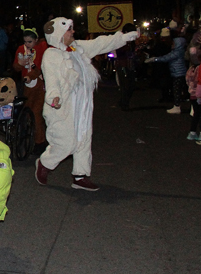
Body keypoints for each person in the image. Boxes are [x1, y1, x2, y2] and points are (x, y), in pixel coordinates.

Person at [35, 18, 139, 191]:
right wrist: (54, 97)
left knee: (84, 138)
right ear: (59, 34)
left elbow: (100, 44)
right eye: (69, 30)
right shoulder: (51, 55)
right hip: (63, 106)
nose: (73, 32)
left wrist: (124, 37)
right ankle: (45, 163)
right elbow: (51, 80)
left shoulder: (77, 48)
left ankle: (80, 176)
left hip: (82, 104)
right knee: (66, 143)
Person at [12, 27, 48, 154]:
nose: (27, 44)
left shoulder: (41, 48)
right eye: (25, 41)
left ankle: (40, 143)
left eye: (30, 42)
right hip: (26, 86)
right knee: (26, 113)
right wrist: (20, 64)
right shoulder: (21, 49)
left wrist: (30, 76)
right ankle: (29, 139)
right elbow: (15, 66)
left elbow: (40, 67)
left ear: (36, 40)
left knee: (36, 113)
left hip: (39, 84)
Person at [146, 25, 187, 114]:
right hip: (177, 71)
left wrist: (154, 59)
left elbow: (167, 57)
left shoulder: (177, 50)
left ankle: (177, 106)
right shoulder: (177, 48)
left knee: (177, 90)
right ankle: (182, 106)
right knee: (179, 89)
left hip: (178, 72)